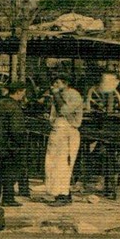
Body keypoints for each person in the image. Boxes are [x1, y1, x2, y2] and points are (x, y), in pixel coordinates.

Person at [44, 75, 83, 206]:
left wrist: (55, 95)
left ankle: (64, 195)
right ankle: (57, 193)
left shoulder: (74, 95)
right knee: (52, 163)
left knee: (63, 164)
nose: (54, 84)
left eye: (57, 82)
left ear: (65, 83)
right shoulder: (57, 95)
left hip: (68, 131)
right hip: (57, 130)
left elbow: (64, 110)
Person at [0, 81, 28, 206]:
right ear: (19, 91)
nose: (23, 95)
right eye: (23, 92)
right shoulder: (14, 107)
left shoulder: (2, 103)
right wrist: (21, 142)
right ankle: (8, 199)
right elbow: (16, 129)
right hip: (10, 145)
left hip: (0, 143)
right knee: (11, 171)